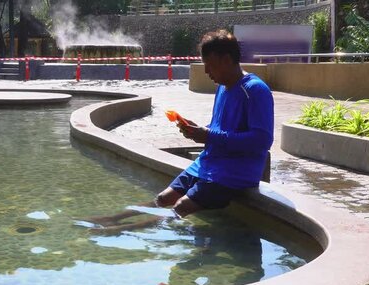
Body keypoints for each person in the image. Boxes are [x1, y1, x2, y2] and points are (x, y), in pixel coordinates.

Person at [85, 29, 274, 233]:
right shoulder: (222, 87)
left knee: (181, 207)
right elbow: (222, 128)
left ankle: (122, 230)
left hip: (235, 172)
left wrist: (208, 135)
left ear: (227, 59)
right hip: (209, 162)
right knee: (163, 198)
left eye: (210, 65)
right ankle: (112, 219)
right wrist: (198, 130)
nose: (207, 72)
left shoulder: (255, 90)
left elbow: (262, 140)